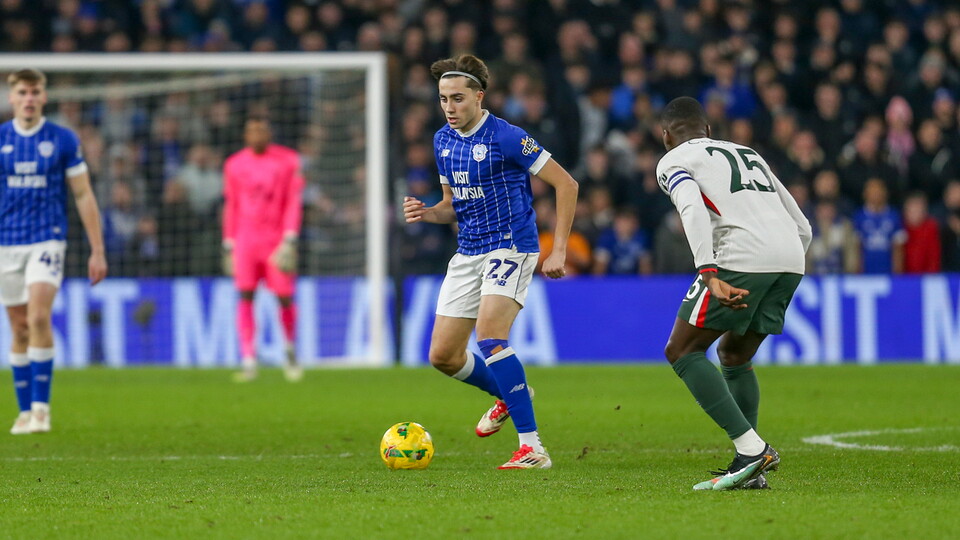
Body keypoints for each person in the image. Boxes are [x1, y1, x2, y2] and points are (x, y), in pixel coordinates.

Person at [403, 54, 578, 469]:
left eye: (458, 99)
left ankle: (533, 447)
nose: (449, 107)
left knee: (490, 336)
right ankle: (507, 392)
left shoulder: (508, 136)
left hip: (510, 244)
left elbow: (566, 183)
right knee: (443, 356)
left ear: (479, 97)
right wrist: (429, 212)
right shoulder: (442, 140)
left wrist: (560, 249)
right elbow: (452, 205)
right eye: (443, 99)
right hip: (468, 251)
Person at [656, 97, 811, 490]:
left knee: (682, 350)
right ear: (707, 130)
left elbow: (690, 205)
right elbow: (802, 222)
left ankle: (752, 450)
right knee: (734, 354)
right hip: (791, 257)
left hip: (740, 257)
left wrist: (708, 272)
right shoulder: (747, 152)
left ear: (666, 136)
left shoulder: (673, 160)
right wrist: (784, 262)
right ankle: (749, 462)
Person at [1, 69, 108, 434]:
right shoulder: (0, 140)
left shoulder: (62, 139)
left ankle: (42, 408)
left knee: (38, 318)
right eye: (22, 92)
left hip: (47, 239)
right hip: (7, 243)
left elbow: (82, 193)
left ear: (44, 97)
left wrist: (98, 249)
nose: (28, 98)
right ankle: (24, 411)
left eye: (34, 92)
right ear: (11, 97)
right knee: (17, 327)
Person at [222, 115, 304, 383]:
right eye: (251, 129)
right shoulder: (234, 164)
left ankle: (290, 352)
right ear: (245, 134)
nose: (256, 134)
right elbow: (231, 204)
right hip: (246, 241)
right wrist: (228, 242)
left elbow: (293, 201)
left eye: (261, 129)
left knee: (284, 296)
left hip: (276, 241)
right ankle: (248, 360)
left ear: (269, 132)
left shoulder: (288, 160)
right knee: (245, 296)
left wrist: (290, 238)